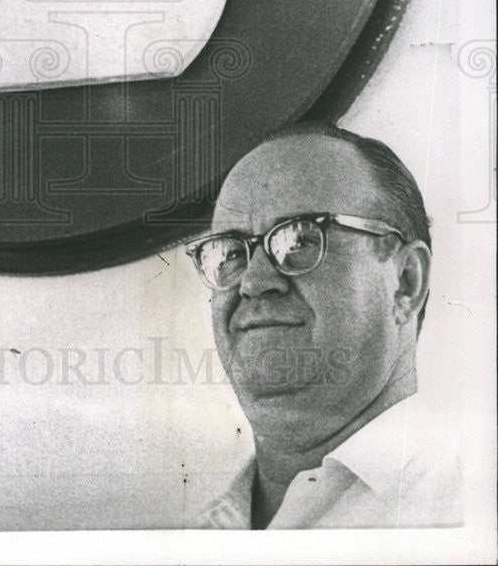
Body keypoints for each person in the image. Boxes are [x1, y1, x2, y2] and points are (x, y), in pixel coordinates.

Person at [186, 121, 462, 529]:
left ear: (406, 282)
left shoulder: (463, 509)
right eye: (230, 252)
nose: (254, 282)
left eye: (301, 240)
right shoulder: (198, 534)